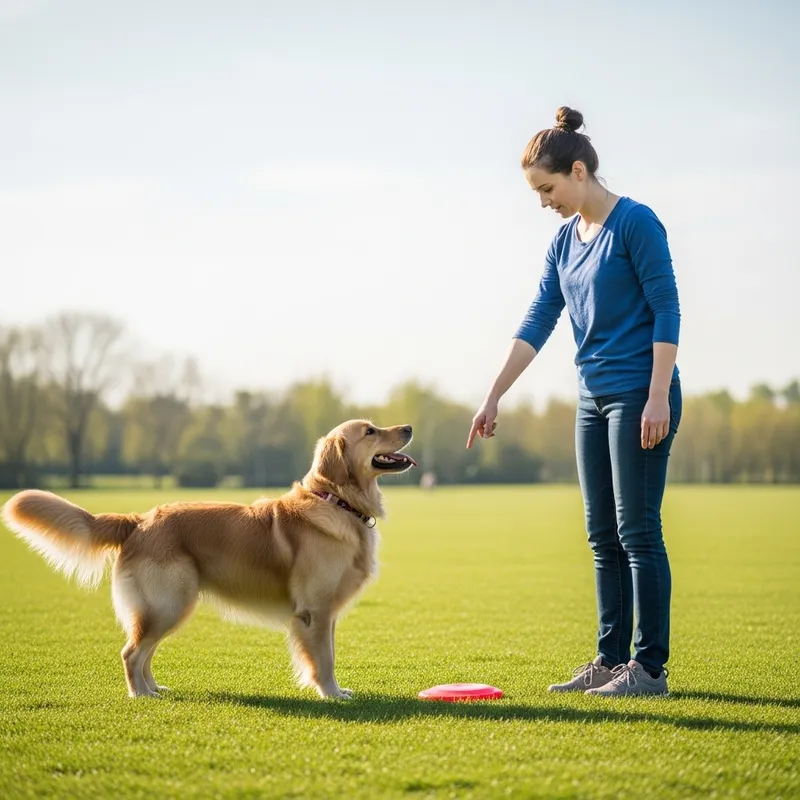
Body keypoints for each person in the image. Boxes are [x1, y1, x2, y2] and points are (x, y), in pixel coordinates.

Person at [466, 106, 682, 696]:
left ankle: (649, 668)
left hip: (641, 394)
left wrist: (658, 395)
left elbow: (667, 308)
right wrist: (493, 394)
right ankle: (611, 660)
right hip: (592, 398)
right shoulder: (564, 241)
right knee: (600, 534)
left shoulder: (636, 223)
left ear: (579, 171)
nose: (544, 202)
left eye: (548, 188)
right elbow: (539, 317)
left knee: (637, 531)